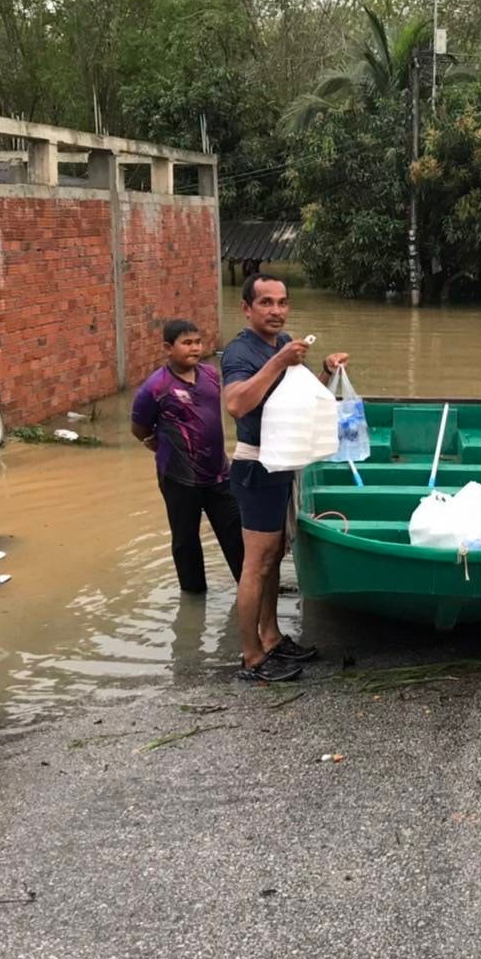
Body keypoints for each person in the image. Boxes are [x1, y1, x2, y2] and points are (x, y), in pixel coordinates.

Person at [221, 274, 350, 683]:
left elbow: (302, 397)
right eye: (266, 303)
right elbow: (236, 404)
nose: (276, 311)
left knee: (274, 557)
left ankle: (272, 637)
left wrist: (325, 371)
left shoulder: (284, 341)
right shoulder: (240, 352)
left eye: (282, 302)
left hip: (283, 463)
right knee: (256, 564)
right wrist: (278, 361)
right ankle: (251, 657)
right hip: (257, 466)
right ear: (246, 308)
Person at [131, 320, 244, 594]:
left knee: (235, 531)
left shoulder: (211, 375)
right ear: (168, 348)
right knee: (186, 540)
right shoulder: (155, 387)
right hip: (179, 476)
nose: (194, 348)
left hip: (218, 473)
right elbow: (139, 427)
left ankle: (249, 587)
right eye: (187, 343)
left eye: (197, 342)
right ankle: (194, 598)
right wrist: (154, 443)